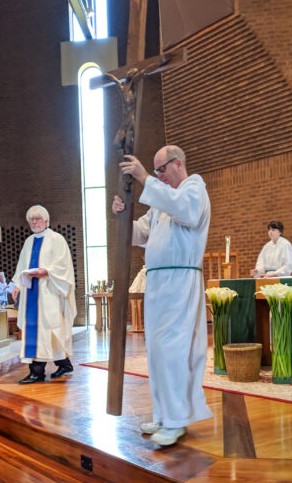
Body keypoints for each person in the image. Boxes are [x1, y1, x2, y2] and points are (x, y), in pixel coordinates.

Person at [112, 145, 212, 446]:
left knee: (173, 349)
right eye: (154, 171)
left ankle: (176, 419)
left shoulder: (194, 190)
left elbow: (184, 210)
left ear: (177, 163)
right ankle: (164, 414)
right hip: (157, 283)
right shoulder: (160, 203)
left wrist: (144, 177)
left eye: (160, 169)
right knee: (156, 351)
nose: (158, 176)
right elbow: (140, 233)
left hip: (180, 281)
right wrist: (122, 215)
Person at [11, 205, 77, 384]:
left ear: (47, 221)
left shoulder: (57, 239)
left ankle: (38, 371)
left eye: (38, 218)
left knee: (49, 329)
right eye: (31, 219)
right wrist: (17, 285)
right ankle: (61, 364)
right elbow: (21, 266)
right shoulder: (28, 241)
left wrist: (46, 271)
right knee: (39, 331)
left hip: (49, 292)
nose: (34, 222)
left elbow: (63, 265)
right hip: (31, 292)